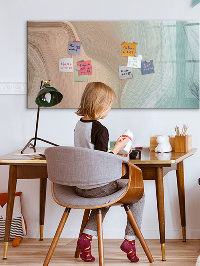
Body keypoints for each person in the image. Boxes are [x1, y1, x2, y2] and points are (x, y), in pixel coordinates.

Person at [74, 82, 144, 263]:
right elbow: (102, 161)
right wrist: (119, 148)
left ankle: (86, 238)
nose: (109, 109)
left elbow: (91, 154)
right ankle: (130, 240)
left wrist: (114, 150)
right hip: (97, 186)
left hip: (80, 186)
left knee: (104, 197)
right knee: (139, 194)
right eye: (109, 105)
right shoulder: (100, 129)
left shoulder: (79, 125)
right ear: (100, 105)